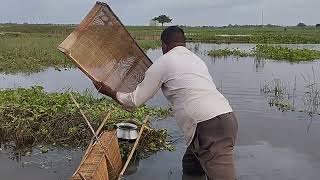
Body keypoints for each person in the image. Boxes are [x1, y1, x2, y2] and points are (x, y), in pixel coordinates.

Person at [93, 26, 238, 180]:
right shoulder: (196, 59)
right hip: (225, 117)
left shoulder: (163, 63)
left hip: (207, 125)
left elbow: (134, 101)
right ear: (184, 44)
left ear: (164, 45)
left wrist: (109, 92)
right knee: (191, 165)